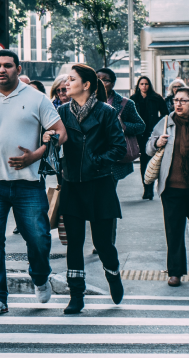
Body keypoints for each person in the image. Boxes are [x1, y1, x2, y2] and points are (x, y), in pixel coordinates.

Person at [0, 50, 67, 315]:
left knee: (39, 239)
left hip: (28, 184)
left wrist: (37, 155)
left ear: (18, 69)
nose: (2, 70)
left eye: (8, 65)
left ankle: (40, 276)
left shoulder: (37, 99)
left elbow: (61, 133)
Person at [55, 64, 127, 313]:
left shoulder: (106, 112)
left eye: (72, 79)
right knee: (74, 242)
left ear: (86, 84)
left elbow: (119, 148)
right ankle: (76, 294)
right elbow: (55, 144)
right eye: (66, 80)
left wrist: (95, 161)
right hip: (72, 184)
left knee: (103, 242)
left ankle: (113, 274)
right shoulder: (62, 112)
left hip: (99, 184)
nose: (66, 84)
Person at [146, 87, 189, 287]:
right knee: (174, 232)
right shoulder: (165, 123)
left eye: (183, 101)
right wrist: (157, 143)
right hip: (171, 189)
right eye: (175, 100)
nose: (177, 104)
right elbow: (148, 148)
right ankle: (175, 271)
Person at [97, 68, 145, 183]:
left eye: (105, 80)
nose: (100, 82)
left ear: (113, 84)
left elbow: (141, 126)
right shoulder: (87, 101)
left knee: (108, 193)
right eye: (97, 79)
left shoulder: (125, 103)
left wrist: (124, 126)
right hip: (93, 155)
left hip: (113, 156)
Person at [131, 76, 169, 200]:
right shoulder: (133, 99)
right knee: (143, 162)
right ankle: (146, 188)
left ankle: (150, 188)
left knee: (152, 161)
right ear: (138, 85)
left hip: (153, 134)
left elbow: (165, 114)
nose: (144, 86)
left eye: (146, 84)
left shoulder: (156, 98)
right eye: (142, 84)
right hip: (139, 134)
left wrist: (158, 124)